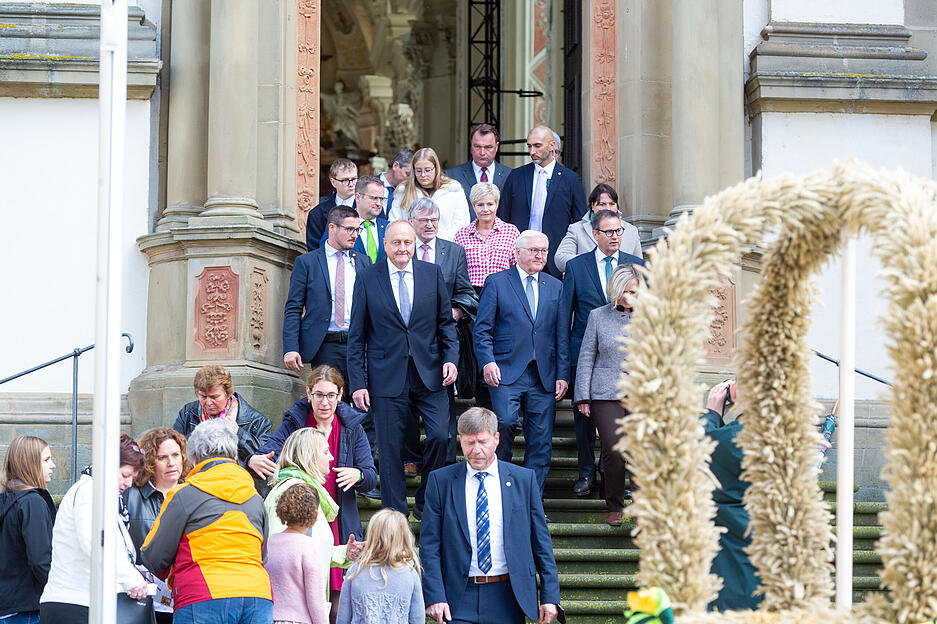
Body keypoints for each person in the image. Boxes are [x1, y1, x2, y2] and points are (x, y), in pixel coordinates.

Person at [347, 220, 460, 519]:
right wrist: (358, 383)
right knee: (390, 449)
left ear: (414, 245)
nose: (402, 248)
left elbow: (445, 324)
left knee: (441, 436)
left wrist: (451, 359)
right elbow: (357, 335)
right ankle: (395, 515)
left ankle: (425, 504)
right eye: (396, 242)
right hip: (385, 374)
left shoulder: (431, 273)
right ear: (385, 244)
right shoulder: (368, 278)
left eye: (407, 243)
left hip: (430, 371)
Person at [420, 408, 563, 624]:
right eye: (469, 443)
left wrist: (550, 595)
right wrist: (435, 596)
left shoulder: (523, 480)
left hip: (508, 596)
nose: (476, 450)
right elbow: (430, 544)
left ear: (496, 439)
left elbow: (541, 542)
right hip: (457, 596)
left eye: (482, 442)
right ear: (460, 440)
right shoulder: (440, 481)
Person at [249, 365, 377, 598]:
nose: (324, 403)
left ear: (340, 395)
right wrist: (252, 459)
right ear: (308, 393)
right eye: (318, 395)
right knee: (307, 591)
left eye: (331, 395)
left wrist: (358, 475)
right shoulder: (295, 422)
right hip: (301, 517)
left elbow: (370, 476)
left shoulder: (352, 428)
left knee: (339, 599)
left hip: (340, 519)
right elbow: (268, 453)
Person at [141, 419, 273, 623]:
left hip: (202, 594)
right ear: (233, 456)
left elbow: (154, 557)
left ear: (194, 458)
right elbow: (262, 555)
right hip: (257, 594)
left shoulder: (183, 495)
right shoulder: (256, 499)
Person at [473, 230, 570, 496]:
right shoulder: (497, 282)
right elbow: (482, 330)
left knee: (541, 441)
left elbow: (561, 334)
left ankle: (531, 502)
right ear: (517, 253)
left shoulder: (555, 287)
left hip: (543, 375)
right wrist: (487, 362)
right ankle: (500, 491)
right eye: (533, 250)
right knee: (504, 423)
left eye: (543, 251)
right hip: (505, 371)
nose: (540, 255)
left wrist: (562, 374)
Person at [562, 210, 644, 498]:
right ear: (594, 234)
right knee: (584, 422)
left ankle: (616, 480)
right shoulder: (577, 266)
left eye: (619, 231)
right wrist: (564, 366)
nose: (615, 236)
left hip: (623, 360)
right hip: (585, 352)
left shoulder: (637, 265)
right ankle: (586, 474)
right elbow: (565, 316)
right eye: (608, 232)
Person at [263, 423, 369, 622]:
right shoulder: (293, 492)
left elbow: (303, 550)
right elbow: (284, 556)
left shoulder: (302, 491)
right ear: (309, 455)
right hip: (294, 613)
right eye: (325, 452)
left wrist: (344, 553)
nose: (331, 457)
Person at [403, 197, 479, 474]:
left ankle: (441, 468)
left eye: (434, 221)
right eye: (423, 220)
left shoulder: (453, 252)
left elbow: (467, 293)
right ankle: (410, 457)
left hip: (441, 343)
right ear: (411, 222)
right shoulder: (402, 249)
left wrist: (454, 313)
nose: (429, 225)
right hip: (406, 342)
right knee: (405, 405)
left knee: (442, 415)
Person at [40, 435, 148, 624]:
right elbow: (96, 545)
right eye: (125, 475)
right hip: (77, 603)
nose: (129, 483)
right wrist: (132, 579)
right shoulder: (89, 492)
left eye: (133, 478)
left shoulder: (96, 493)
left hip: (79, 602)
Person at [573, 266, 639, 526]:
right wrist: (583, 396)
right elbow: (587, 356)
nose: (628, 296)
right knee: (613, 448)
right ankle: (615, 505)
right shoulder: (598, 316)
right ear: (615, 289)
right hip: (605, 393)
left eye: (634, 292)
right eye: (624, 291)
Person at [283, 204, 372, 391]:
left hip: (359, 346)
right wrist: (291, 348)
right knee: (329, 399)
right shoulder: (307, 262)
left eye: (357, 230)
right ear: (332, 228)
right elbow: (293, 308)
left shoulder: (364, 262)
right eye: (349, 229)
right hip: (324, 346)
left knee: (362, 402)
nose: (355, 235)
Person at [703, 379, 763, 612]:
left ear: (736, 393)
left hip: (730, 554)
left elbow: (695, 450)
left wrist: (711, 414)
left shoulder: (726, 440)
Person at [497, 125, 588, 277]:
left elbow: (580, 223)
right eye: (529, 146)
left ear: (552, 145)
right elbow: (502, 218)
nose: (532, 151)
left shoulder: (571, 180)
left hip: (555, 261)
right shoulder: (516, 176)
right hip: (519, 259)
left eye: (537, 146)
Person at [123, 427, 192, 623]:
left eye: (176, 455)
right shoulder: (131, 495)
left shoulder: (194, 494)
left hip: (185, 594)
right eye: (162, 457)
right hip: (141, 596)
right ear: (150, 462)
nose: (171, 463)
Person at [173, 364, 272, 492]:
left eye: (214, 397)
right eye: (203, 396)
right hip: (198, 488)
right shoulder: (188, 413)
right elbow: (176, 449)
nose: (208, 403)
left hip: (238, 491)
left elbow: (265, 460)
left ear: (228, 393)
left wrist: (238, 434)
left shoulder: (257, 421)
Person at [0, 435, 56, 624]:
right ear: (29, 463)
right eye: (46, 460)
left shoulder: (7, 498)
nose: (53, 465)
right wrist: (57, 589)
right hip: (25, 609)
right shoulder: (32, 502)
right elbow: (41, 560)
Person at [336, 509, 424, 624]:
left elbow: (342, 618)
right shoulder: (410, 574)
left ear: (372, 535)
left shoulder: (355, 571)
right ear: (404, 537)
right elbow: (418, 619)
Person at [267, 482, 330, 624]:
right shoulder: (308, 547)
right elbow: (316, 600)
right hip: (299, 620)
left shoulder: (269, 542)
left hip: (268, 617)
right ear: (316, 514)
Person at [554, 183, 643, 273]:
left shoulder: (631, 231)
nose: (608, 208)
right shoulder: (577, 229)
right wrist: (592, 263)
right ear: (593, 206)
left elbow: (639, 267)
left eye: (612, 204)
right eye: (602, 204)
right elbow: (560, 258)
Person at [388, 147, 470, 241]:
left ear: (436, 168)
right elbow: (394, 223)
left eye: (427, 170)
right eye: (419, 171)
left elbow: (461, 225)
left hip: (446, 245)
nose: (423, 175)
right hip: (412, 246)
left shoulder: (453, 190)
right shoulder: (403, 191)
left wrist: (438, 243)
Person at [454, 182, 521, 294]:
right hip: (471, 294)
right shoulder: (461, 235)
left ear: (497, 204)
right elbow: (457, 271)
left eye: (490, 204)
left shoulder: (511, 232)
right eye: (480, 205)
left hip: (503, 292)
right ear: (473, 206)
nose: (485, 209)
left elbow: (518, 267)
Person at [444, 124, 512, 218]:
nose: (482, 152)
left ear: (496, 147)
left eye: (488, 147)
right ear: (471, 146)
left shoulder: (510, 175)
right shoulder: (451, 176)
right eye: (477, 146)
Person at [323, 174, 389, 264]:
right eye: (374, 198)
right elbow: (326, 254)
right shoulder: (339, 224)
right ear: (358, 197)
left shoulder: (388, 227)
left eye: (381, 199)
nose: (379, 203)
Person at [306, 158, 358, 251]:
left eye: (354, 179)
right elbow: (314, 251)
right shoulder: (317, 213)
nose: (351, 184)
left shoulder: (367, 207)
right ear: (333, 182)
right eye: (345, 180)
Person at [379, 149, 414, 218]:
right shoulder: (368, 185)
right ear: (395, 166)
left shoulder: (411, 190)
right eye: (408, 174)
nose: (410, 180)